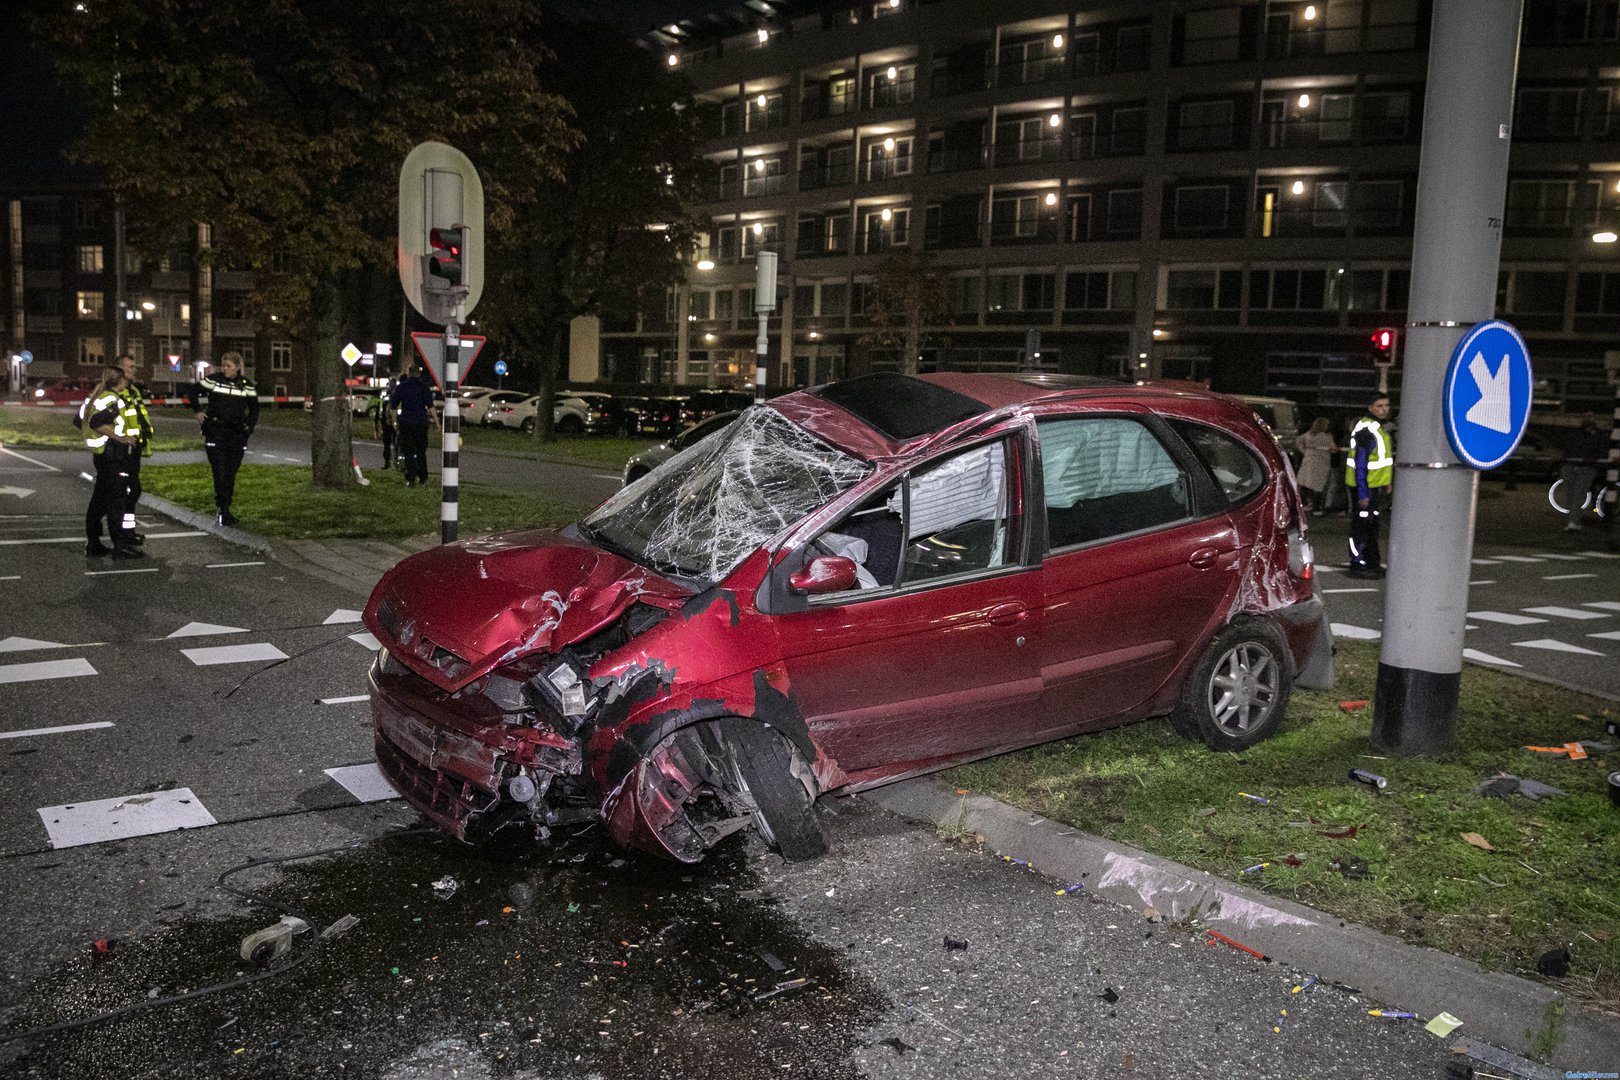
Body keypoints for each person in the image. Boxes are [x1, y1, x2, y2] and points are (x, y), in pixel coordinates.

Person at [79, 364, 144, 558]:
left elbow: (82, 420)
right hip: (112, 456)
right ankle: (119, 546)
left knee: (99, 500)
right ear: (121, 381)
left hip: (103, 456)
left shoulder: (99, 395)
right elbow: (96, 422)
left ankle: (93, 543)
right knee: (117, 501)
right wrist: (120, 438)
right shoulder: (112, 399)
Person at [192, 351, 259, 526]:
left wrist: (248, 429)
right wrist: (198, 411)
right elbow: (192, 391)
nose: (225, 369)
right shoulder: (214, 380)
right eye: (223, 365)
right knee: (220, 471)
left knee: (230, 473)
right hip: (216, 432)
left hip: (236, 435)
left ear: (237, 367)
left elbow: (255, 409)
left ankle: (226, 507)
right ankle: (222, 508)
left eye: (229, 366)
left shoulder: (246, 385)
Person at [1346, 394, 1393, 579]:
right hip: (1363, 488)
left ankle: (1372, 562)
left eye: (1386, 405)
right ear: (1370, 407)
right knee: (1361, 527)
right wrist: (1363, 493)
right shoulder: (1366, 430)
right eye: (1379, 405)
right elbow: (1361, 464)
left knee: (1372, 526)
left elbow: (1380, 460)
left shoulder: (1376, 428)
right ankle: (1357, 564)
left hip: (1373, 487)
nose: (1384, 409)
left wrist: (1386, 482)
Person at [114, 353, 155, 544]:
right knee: (124, 493)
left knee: (133, 491)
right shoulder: (115, 392)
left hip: (133, 449)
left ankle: (128, 533)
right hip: (120, 451)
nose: (134, 370)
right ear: (119, 370)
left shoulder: (133, 391)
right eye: (130, 367)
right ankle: (119, 536)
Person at [1559, 414, 1611, 532]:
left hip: (1587, 468)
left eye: (1591, 417)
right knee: (1570, 494)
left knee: (1578, 494)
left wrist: (1595, 465)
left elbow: (1602, 452)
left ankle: (1573, 521)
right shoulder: (1576, 433)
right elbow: (1567, 448)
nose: (1588, 419)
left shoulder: (1599, 435)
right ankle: (1574, 519)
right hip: (1570, 466)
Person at [390, 366, 434, 487]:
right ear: (418, 374)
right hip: (421, 423)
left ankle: (410, 478)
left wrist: (394, 422)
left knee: (408, 451)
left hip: (407, 423)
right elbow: (431, 407)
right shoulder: (424, 388)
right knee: (421, 451)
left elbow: (393, 407)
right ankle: (423, 477)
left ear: (409, 374)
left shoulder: (402, 387)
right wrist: (438, 423)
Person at [1295, 417, 1339, 513]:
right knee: (1318, 486)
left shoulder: (1308, 435)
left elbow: (1298, 440)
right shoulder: (1326, 437)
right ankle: (1316, 508)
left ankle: (1305, 504)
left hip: (1308, 461)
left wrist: (1304, 451)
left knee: (1305, 483)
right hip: (1321, 463)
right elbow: (1334, 449)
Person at [368, 384, 396, 470]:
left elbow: (377, 415)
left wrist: (376, 428)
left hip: (387, 425)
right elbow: (377, 415)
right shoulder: (391, 399)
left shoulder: (382, 400)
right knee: (394, 445)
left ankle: (389, 463)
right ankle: (391, 463)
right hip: (391, 425)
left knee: (389, 445)